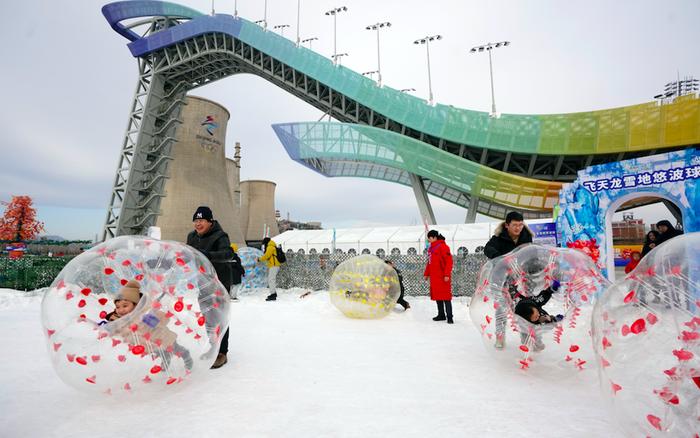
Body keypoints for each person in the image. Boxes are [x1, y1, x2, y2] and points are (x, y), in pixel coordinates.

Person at [186, 206, 234, 369]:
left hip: (219, 283)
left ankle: (222, 353)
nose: (198, 224)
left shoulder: (220, 236)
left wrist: (206, 254)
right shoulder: (192, 236)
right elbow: (188, 256)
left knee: (220, 317)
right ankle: (213, 347)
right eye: (196, 221)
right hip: (203, 283)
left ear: (210, 221)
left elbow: (228, 254)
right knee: (208, 319)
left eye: (201, 221)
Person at [110, 280, 193, 370]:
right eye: (118, 307)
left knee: (175, 348)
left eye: (125, 306)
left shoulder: (142, 315)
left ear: (135, 305)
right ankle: (166, 357)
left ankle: (186, 355)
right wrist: (113, 330)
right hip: (151, 343)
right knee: (160, 352)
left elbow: (158, 321)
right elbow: (123, 330)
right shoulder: (124, 319)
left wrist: (151, 315)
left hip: (162, 337)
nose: (121, 310)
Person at [485, 211, 534, 349]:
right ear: (507, 225)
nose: (518, 228)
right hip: (502, 280)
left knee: (524, 308)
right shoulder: (498, 238)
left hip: (520, 281)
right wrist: (500, 259)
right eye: (515, 225)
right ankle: (500, 338)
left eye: (520, 225)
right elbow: (487, 249)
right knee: (501, 310)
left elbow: (531, 256)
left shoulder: (527, 238)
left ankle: (526, 339)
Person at [424, 230, 454, 324]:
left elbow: (449, 262)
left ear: (434, 237)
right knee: (438, 296)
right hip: (434, 277)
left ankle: (449, 316)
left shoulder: (443, 247)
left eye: (430, 238)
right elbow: (429, 263)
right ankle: (441, 314)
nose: (428, 240)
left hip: (442, 277)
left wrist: (446, 274)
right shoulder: (431, 249)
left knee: (446, 297)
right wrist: (426, 273)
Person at [259, 237, 282, 301]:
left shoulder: (270, 247)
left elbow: (267, 255)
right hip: (274, 265)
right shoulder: (272, 246)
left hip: (274, 265)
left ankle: (273, 294)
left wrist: (259, 259)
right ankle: (273, 293)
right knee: (271, 279)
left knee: (271, 280)